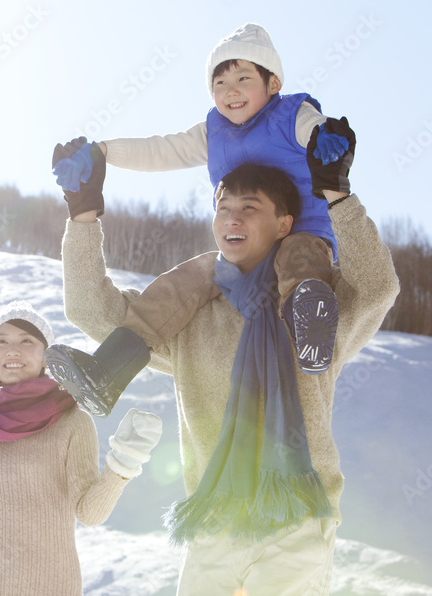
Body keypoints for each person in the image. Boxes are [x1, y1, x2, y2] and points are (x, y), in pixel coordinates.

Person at [54, 152, 399, 592]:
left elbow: (377, 287)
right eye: (223, 207)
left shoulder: (313, 313)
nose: (232, 217)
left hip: (294, 521)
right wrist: (82, 214)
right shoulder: (188, 314)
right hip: (212, 521)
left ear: (283, 224)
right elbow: (91, 310)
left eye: (249, 208)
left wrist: (339, 197)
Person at [50, 23, 356, 416]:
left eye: (244, 78)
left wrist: (328, 137)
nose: (230, 90)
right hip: (241, 253)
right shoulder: (215, 131)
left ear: (273, 83)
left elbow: (316, 132)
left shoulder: (292, 115)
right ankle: (108, 369)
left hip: (302, 232)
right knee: (189, 277)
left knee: (300, 256)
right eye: (220, 81)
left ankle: (306, 329)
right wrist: (102, 151)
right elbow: (164, 150)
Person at [0, 301, 162, 595]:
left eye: (27, 340)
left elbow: (88, 513)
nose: (13, 350)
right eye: (2, 341)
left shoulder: (71, 421)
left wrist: (123, 462)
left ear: (46, 357)